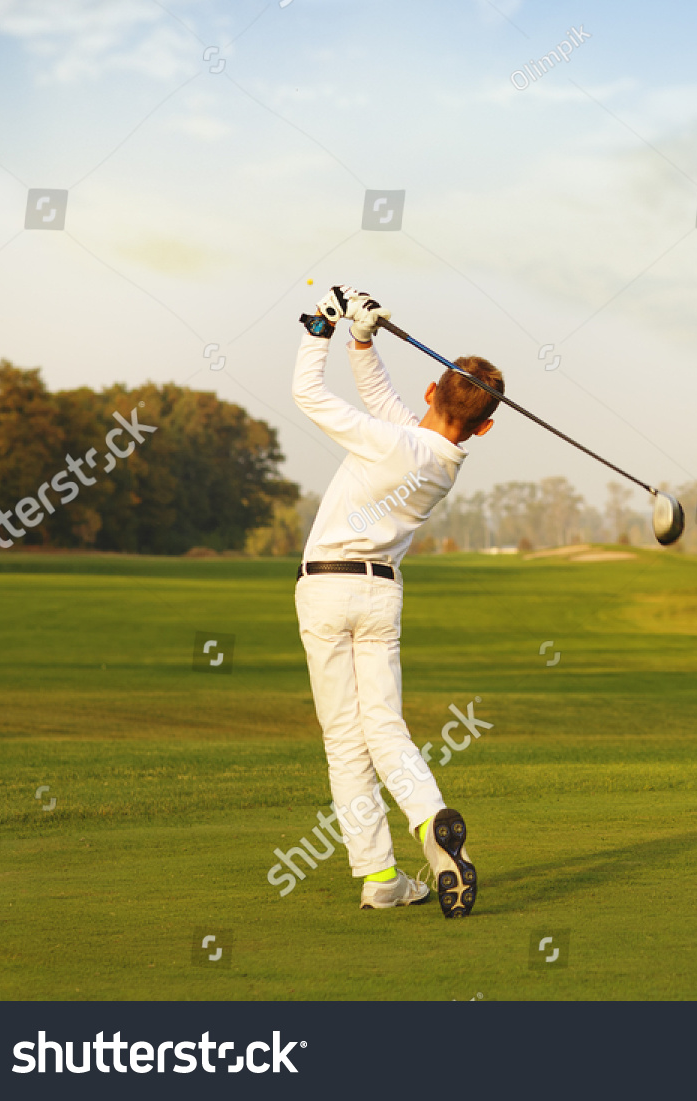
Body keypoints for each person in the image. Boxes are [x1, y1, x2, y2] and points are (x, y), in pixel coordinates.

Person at [291, 285, 502, 917]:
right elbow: (384, 403)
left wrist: (321, 327)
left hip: (326, 589)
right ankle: (422, 833)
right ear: (484, 426)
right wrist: (361, 341)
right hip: (380, 594)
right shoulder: (441, 458)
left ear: (432, 391)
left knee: (344, 740)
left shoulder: (394, 442)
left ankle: (384, 867)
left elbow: (308, 394)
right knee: (384, 727)